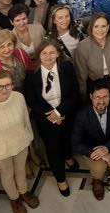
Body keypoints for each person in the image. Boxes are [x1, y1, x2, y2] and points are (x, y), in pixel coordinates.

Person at [23, 40, 78, 197]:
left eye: (52, 52)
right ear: (39, 55)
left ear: (58, 54)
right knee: (53, 148)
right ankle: (60, 178)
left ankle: (68, 156)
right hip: (45, 118)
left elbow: (74, 93)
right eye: (44, 53)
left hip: (65, 113)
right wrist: (51, 115)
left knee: (66, 138)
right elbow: (32, 99)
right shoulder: (31, 74)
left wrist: (60, 112)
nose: (48, 56)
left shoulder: (67, 68)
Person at [0, 69, 39, 212]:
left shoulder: (19, 97)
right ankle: (14, 198)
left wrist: (29, 138)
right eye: (0, 86)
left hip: (20, 144)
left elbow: (25, 119)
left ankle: (24, 192)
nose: (4, 89)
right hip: (1, 151)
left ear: (12, 85)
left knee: (20, 170)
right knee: (7, 175)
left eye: (8, 85)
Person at [73, 78, 110, 201]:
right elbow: (76, 143)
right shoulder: (82, 114)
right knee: (99, 169)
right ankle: (96, 179)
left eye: (105, 97)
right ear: (91, 97)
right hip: (93, 149)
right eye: (97, 97)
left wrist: (107, 148)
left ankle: (108, 166)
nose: (101, 101)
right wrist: (101, 154)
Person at [0, 29, 31, 95]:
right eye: (2, 47)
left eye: (9, 44)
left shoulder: (21, 53)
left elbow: (31, 71)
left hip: (30, 93)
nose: (7, 49)